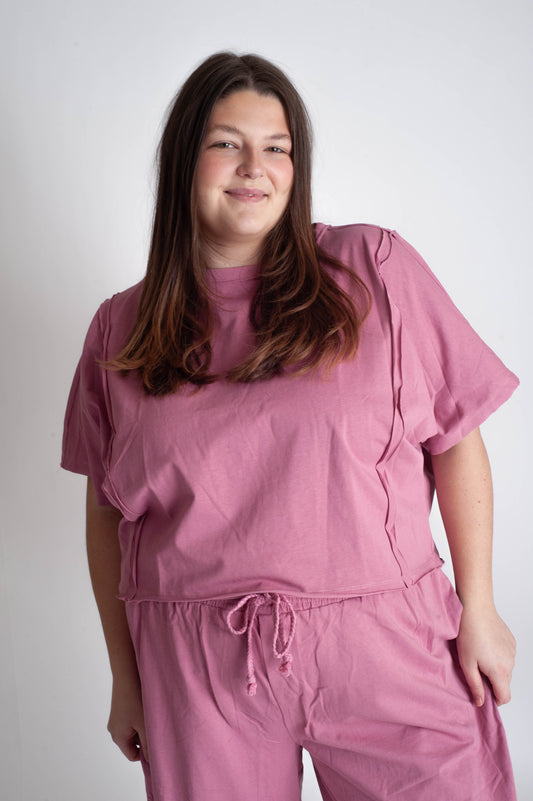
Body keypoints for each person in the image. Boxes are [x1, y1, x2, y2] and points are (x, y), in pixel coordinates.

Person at [61, 52, 519, 801]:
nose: (254, 166)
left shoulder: (371, 269)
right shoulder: (121, 327)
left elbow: (454, 436)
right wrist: (125, 675)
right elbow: (106, 512)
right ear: (183, 158)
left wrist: (481, 607)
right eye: (226, 142)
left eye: (276, 147)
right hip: (195, 667)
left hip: (386, 641)